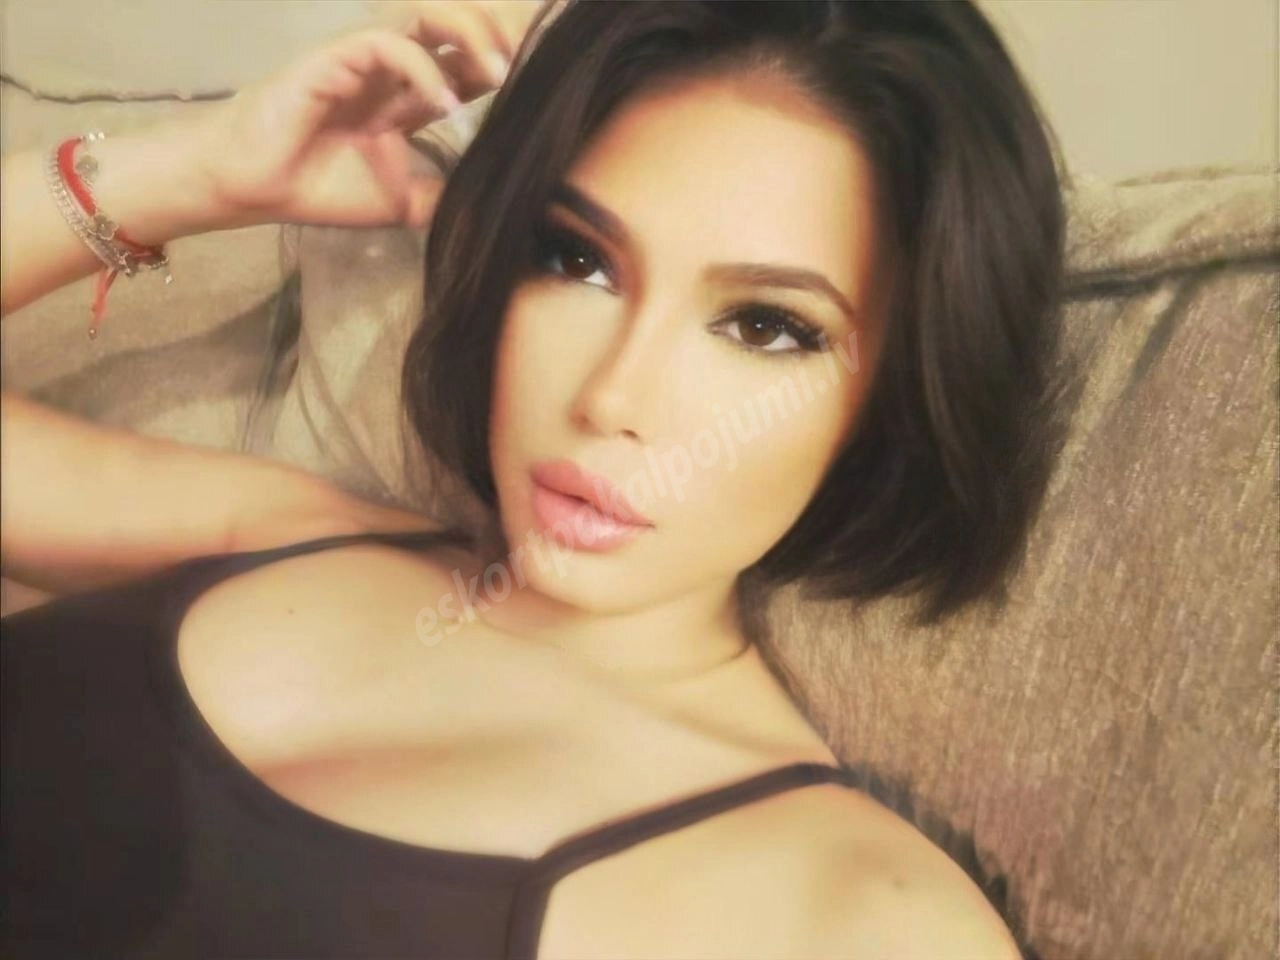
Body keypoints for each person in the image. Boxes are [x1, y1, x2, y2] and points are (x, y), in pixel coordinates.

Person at [0, 1, 1068, 957]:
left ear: (894, 403)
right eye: (576, 259)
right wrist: (192, 174)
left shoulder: (862, 917)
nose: (610, 395)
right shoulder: (285, 530)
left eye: (763, 327)